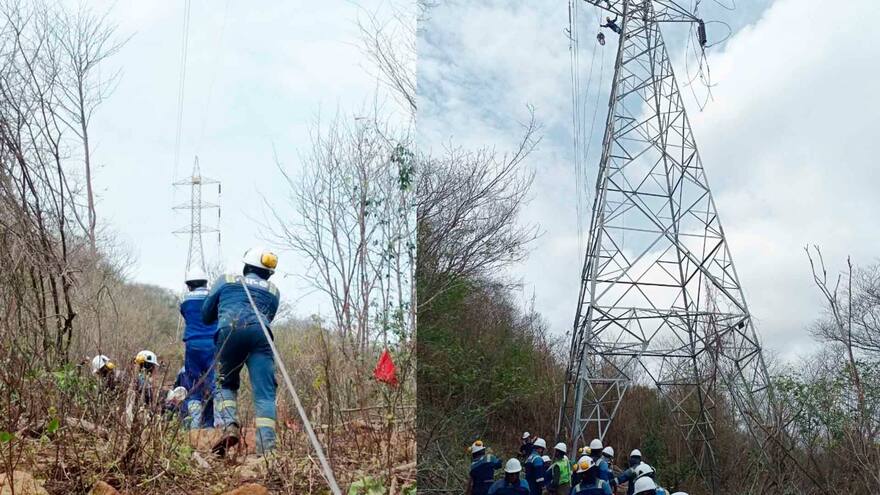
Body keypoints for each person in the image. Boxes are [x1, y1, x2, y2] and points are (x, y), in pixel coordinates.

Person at [203, 246, 281, 456]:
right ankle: (267, 450)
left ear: (246, 265)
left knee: (225, 383)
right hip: (261, 336)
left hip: (229, 331)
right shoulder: (273, 291)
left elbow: (206, 314)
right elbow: (269, 316)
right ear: (268, 273)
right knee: (265, 394)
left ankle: (229, 425)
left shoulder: (226, 280)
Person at [180, 268, 218, 430]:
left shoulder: (184, 300)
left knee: (194, 385)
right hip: (212, 343)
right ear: (205, 282)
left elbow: (186, 315)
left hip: (192, 345)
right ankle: (218, 425)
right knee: (216, 384)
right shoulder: (214, 297)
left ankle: (195, 427)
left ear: (189, 285)